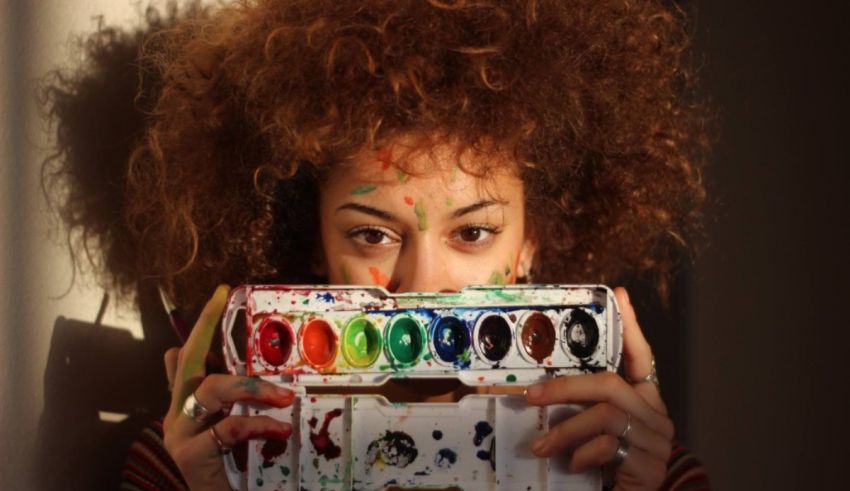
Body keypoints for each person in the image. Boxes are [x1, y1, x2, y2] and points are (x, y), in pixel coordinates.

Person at [43, 1, 710, 489]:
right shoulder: (207, 447)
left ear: (532, 239)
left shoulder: (622, 452)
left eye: (473, 232)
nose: (423, 285)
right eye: (372, 233)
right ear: (311, 237)